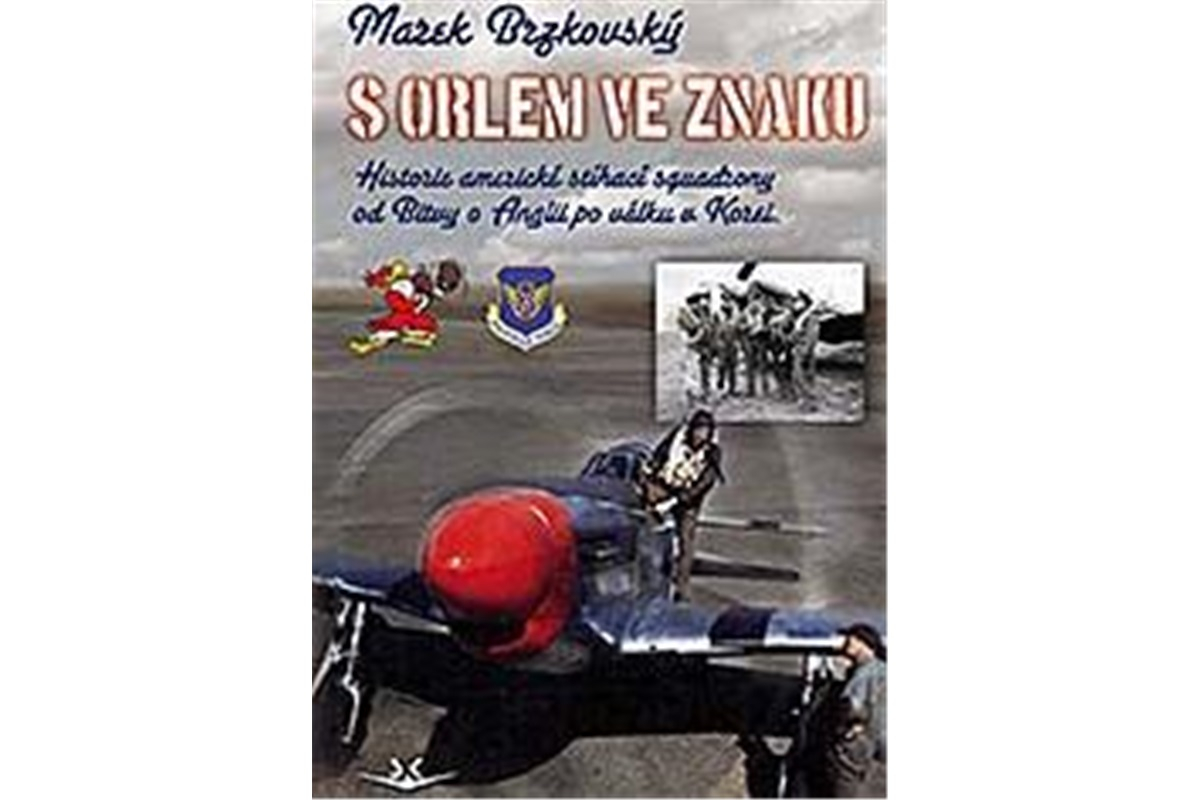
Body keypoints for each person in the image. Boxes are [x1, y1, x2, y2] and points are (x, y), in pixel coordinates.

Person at [642, 409, 725, 600]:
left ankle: (682, 588)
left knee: (686, 543)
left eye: (705, 431)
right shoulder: (676, 439)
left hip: (689, 500)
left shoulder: (712, 455)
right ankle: (647, 570)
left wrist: (672, 503)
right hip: (665, 486)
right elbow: (659, 455)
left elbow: (701, 486)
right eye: (698, 430)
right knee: (646, 522)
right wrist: (650, 478)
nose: (701, 435)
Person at [823, 623, 887, 797]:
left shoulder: (866, 673)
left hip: (858, 749)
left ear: (863, 642)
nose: (846, 643)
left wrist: (844, 730)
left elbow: (852, 706)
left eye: (851, 639)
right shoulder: (881, 670)